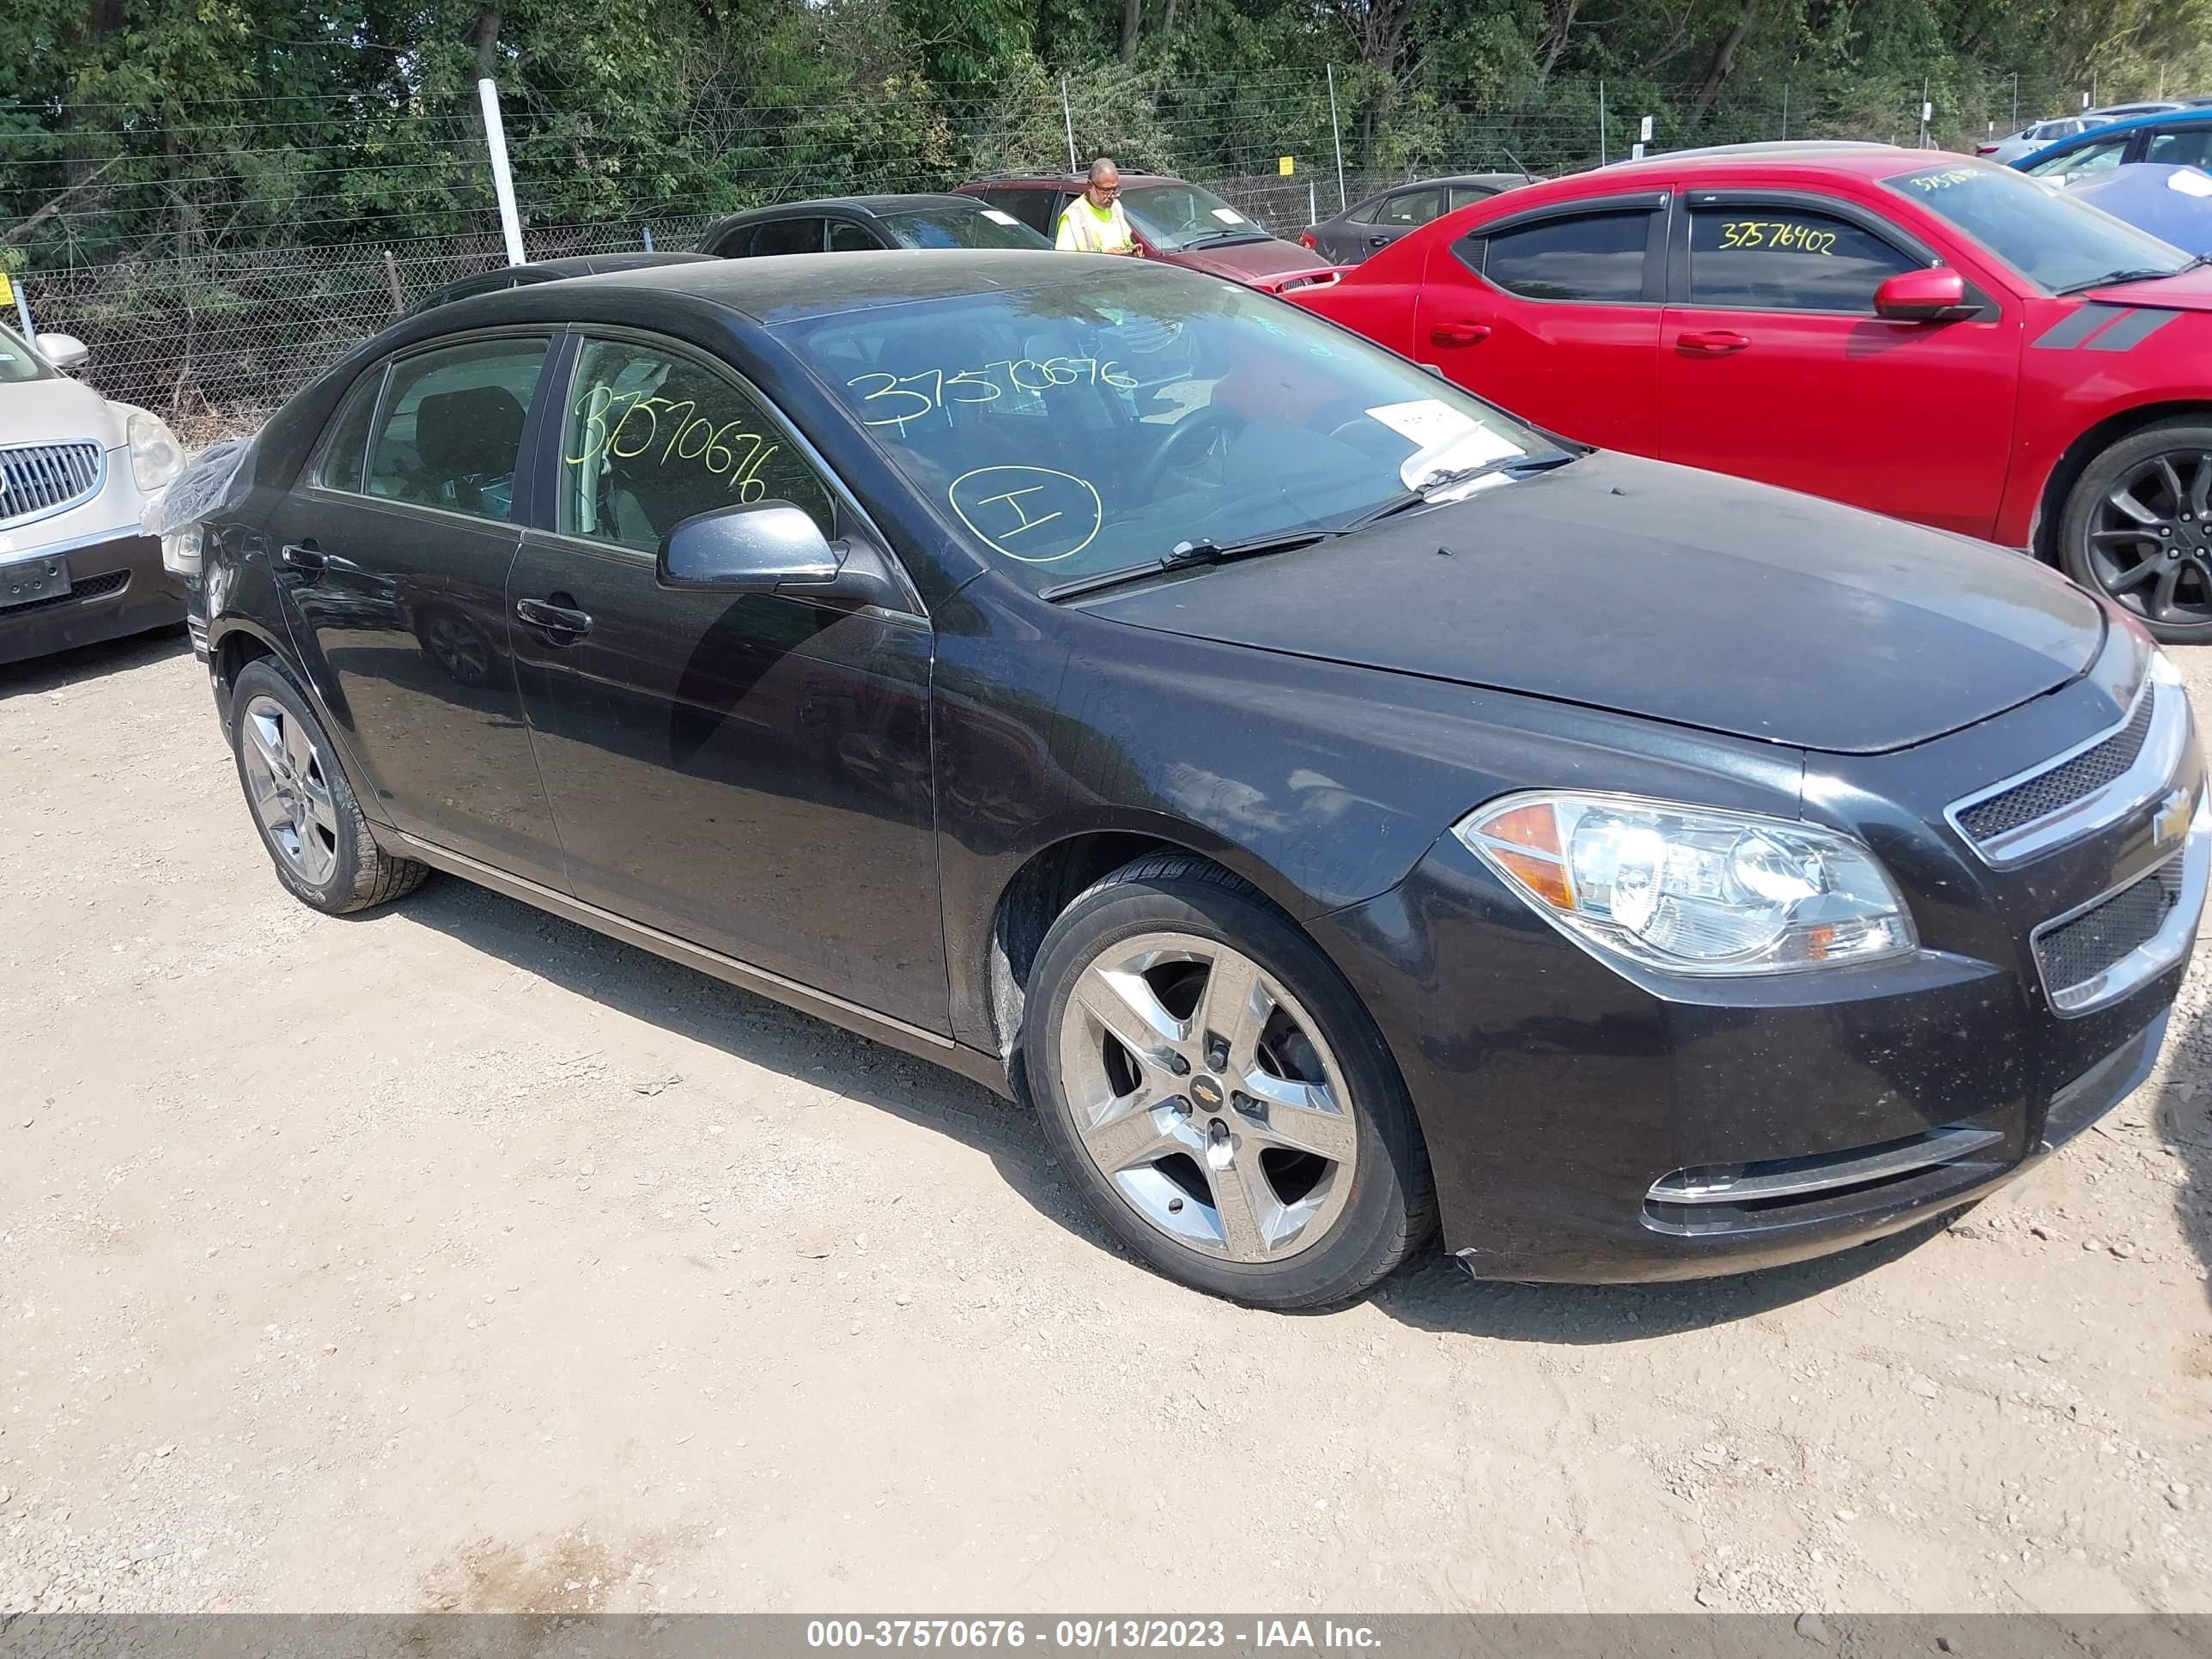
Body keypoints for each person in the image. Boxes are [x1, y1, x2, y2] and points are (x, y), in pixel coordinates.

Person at [1056, 159, 1145, 256]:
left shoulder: (1116, 207)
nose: (1112, 196)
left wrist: (1132, 252)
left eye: (1115, 189)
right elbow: (1065, 264)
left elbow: (1126, 243)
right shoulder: (1072, 218)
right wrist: (1106, 257)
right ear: (1090, 186)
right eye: (1106, 190)